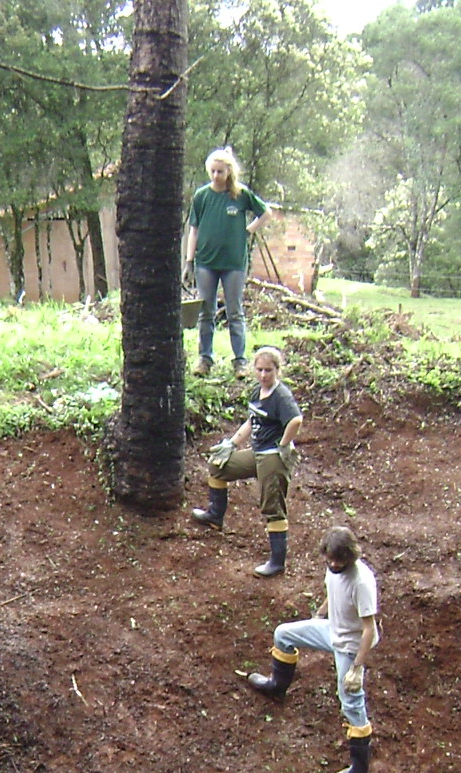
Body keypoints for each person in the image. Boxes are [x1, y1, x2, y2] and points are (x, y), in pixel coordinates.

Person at [248, 527, 379, 773]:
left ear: (350, 557)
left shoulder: (361, 581)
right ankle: (277, 685)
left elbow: (369, 629)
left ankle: (360, 766)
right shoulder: (333, 568)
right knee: (283, 634)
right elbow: (333, 593)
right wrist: (318, 616)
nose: (333, 564)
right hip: (332, 630)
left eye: (338, 561)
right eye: (329, 559)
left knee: (350, 700)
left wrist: (356, 668)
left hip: (350, 645)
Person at [191, 347, 303, 577]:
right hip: (257, 452)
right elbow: (252, 422)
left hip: (272, 456)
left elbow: (296, 420)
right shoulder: (256, 392)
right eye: (260, 370)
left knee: (272, 506)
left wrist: (284, 444)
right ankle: (215, 515)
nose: (263, 375)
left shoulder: (281, 396)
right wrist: (232, 443)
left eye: (268, 371)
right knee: (218, 466)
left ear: (277, 371)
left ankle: (277, 561)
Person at [185, 147, 269, 378]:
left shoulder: (240, 194)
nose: (215, 176)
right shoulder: (202, 196)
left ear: (228, 171)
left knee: (234, 311)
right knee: (206, 311)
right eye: (212, 171)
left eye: (220, 171)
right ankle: (204, 358)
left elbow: (265, 212)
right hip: (205, 262)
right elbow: (194, 229)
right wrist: (189, 260)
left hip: (233, 263)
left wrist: (248, 230)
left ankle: (240, 361)